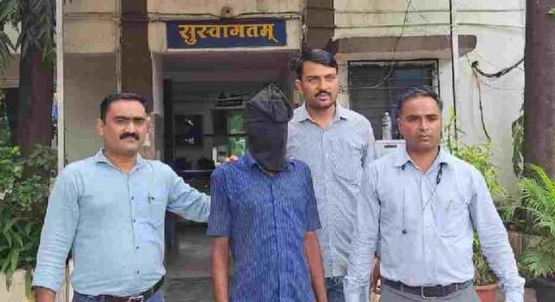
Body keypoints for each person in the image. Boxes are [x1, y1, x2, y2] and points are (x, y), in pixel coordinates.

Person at [343, 86, 524, 302]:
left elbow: (492, 236)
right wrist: (353, 295)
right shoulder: (377, 174)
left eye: (431, 118)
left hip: (458, 295)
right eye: (413, 119)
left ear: (441, 122)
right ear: (400, 124)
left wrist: (514, 291)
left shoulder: (466, 176)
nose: (423, 127)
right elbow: (363, 240)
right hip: (398, 295)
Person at [33, 93, 211, 302]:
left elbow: (204, 209)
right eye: (121, 121)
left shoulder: (161, 175)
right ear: (101, 127)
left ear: (147, 128)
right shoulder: (75, 177)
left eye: (138, 121)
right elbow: (53, 248)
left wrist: (240, 177)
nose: (131, 129)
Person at [209, 84, 328, 302]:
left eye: (279, 127)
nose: (274, 135)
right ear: (252, 129)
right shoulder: (226, 177)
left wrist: (322, 298)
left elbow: (310, 239)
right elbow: (220, 250)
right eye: (266, 127)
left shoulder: (301, 174)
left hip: (300, 295)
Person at [288, 49, 378, 302]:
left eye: (329, 78)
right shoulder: (286, 130)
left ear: (338, 80)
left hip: (353, 264)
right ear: (299, 85)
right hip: (301, 265)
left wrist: (378, 252)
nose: (323, 86)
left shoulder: (360, 127)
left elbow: (374, 194)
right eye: (313, 79)